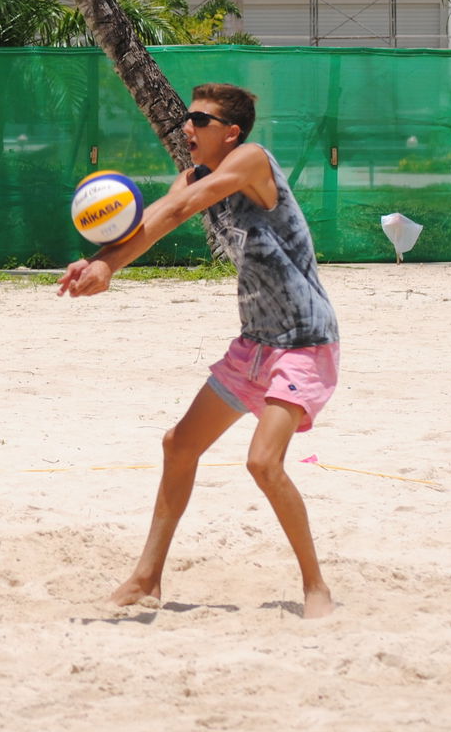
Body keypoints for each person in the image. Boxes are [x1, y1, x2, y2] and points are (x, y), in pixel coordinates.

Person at [59, 83, 340, 619]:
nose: (185, 127)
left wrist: (108, 265)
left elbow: (185, 205)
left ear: (230, 132)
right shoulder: (194, 176)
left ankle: (316, 587)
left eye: (199, 119)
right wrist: (99, 261)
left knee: (262, 463)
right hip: (254, 342)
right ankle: (146, 579)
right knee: (178, 445)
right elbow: (162, 215)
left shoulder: (252, 161)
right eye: (187, 118)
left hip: (304, 341)